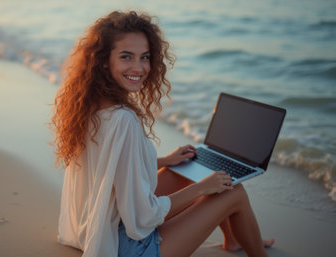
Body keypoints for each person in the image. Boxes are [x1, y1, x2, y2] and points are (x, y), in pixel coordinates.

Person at [52, 10, 275, 257]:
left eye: (144, 57)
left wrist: (164, 161)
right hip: (127, 248)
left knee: (189, 170)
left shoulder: (90, 103)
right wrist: (202, 189)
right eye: (126, 57)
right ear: (104, 60)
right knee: (233, 191)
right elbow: (143, 216)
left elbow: (107, 167)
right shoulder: (123, 119)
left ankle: (234, 240)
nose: (138, 67)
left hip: (97, 228)